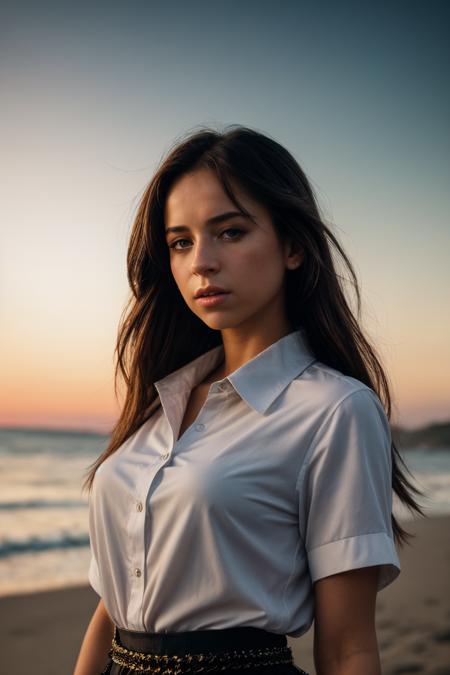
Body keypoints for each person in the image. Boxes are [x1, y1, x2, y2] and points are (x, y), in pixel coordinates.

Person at [73, 125, 425, 675]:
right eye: (180, 242)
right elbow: (111, 609)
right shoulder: (156, 403)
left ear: (292, 246)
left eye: (230, 232)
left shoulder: (336, 411)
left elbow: (348, 646)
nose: (201, 262)